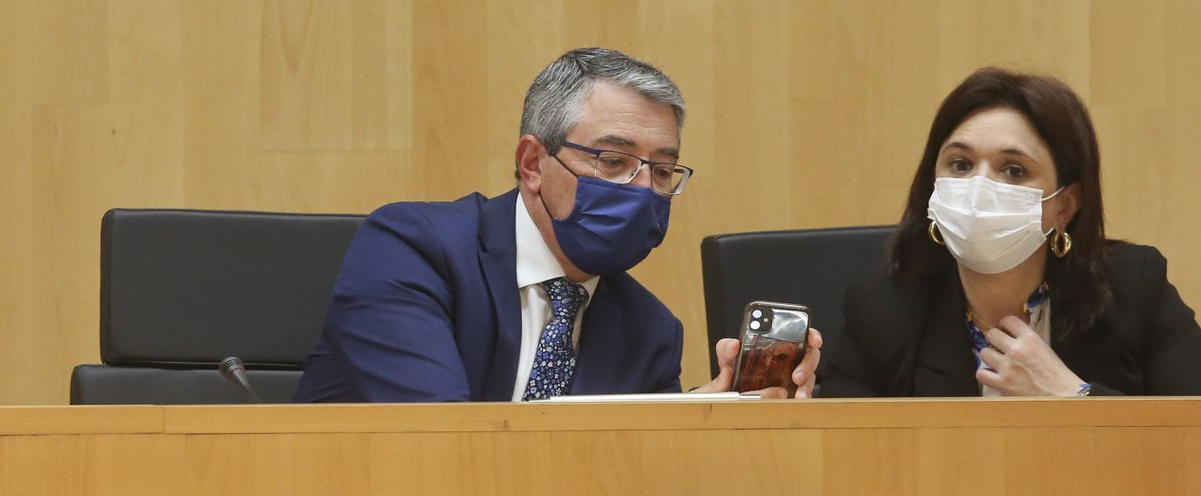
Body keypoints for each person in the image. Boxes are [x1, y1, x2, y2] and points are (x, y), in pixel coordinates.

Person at [295, 47, 820, 402]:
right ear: (532, 164)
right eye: (612, 161)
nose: (642, 192)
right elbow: (440, 440)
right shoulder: (414, 250)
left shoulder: (650, 330)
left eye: (661, 171)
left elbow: (624, 491)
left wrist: (707, 420)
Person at [819, 67, 1201, 398]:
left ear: (1064, 206)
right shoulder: (882, 310)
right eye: (960, 164)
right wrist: (786, 415)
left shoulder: (1136, 289)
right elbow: (843, 462)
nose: (979, 188)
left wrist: (1073, 398)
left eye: (1013, 170)